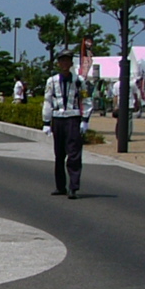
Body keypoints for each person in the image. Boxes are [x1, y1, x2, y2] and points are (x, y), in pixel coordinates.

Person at [42, 50, 93, 199]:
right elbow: (47, 101)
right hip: (58, 119)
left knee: (74, 154)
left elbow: (86, 100)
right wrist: (46, 122)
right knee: (59, 155)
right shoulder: (52, 81)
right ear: (58, 63)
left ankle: (73, 187)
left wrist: (85, 120)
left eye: (67, 60)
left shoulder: (79, 81)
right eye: (62, 60)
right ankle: (60, 186)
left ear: (71, 63)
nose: (64, 63)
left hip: (73, 118)